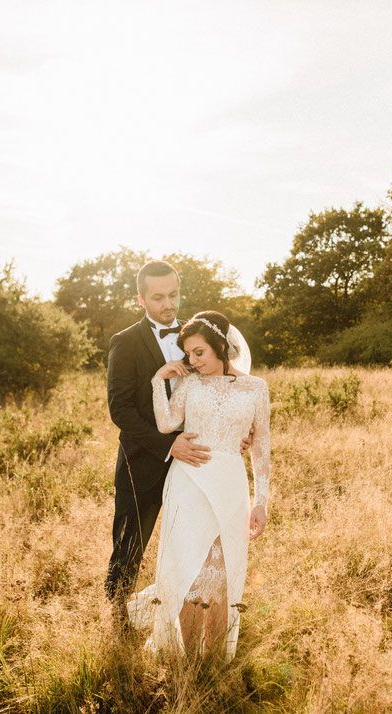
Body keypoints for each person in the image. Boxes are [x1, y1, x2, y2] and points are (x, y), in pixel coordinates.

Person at [104, 261, 251, 623]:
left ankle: (189, 621)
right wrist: (168, 445)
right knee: (130, 546)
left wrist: (234, 433)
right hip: (143, 462)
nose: (168, 303)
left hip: (196, 464)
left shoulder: (195, 337)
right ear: (141, 298)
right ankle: (117, 621)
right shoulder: (124, 343)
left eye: (174, 294)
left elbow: (221, 387)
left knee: (193, 544)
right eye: (158, 297)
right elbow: (120, 409)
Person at [127, 310, 270, 662]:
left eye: (199, 352)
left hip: (231, 486)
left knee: (222, 576)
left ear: (221, 346)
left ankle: (216, 661)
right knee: (190, 572)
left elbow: (262, 447)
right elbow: (166, 425)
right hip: (187, 482)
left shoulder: (256, 388)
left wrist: (261, 500)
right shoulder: (189, 382)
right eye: (188, 354)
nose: (192, 361)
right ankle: (190, 662)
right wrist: (158, 380)